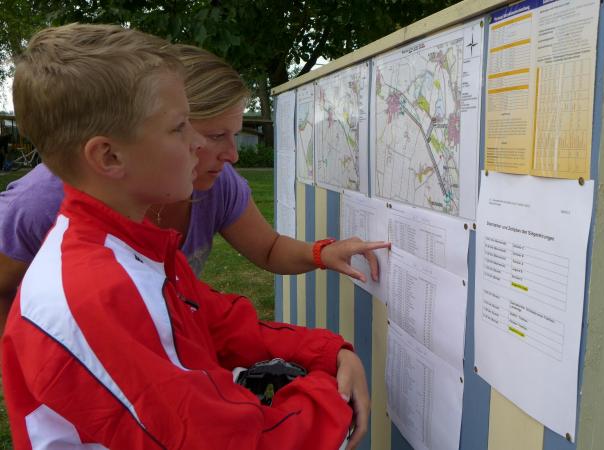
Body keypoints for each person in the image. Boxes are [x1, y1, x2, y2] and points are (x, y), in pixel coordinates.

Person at [2, 23, 377, 449]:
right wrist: (335, 399)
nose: (199, 146)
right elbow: (227, 441)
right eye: (181, 127)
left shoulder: (132, 244)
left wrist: (325, 351)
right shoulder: (97, 296)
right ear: (109, 156)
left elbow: (210, 319)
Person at [0, 43, 387, 330]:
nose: (233, 155)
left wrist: (322, 253)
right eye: (214, 135)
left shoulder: (216, 184)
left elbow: (266, 250)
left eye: (235, 134)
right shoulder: (41, 204)